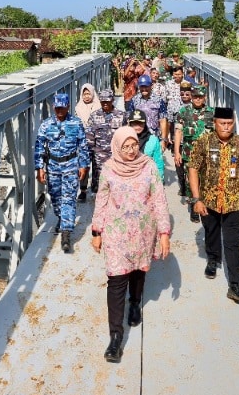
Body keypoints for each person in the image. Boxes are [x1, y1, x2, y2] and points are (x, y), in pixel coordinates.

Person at [91, 126, 171, 363]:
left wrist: (164, 233)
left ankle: (135, 302)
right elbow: (101, 201)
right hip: (116, 234)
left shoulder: (148, 166)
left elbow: (159, 199)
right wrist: (97, 231)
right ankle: (115, 337)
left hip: (143, 232)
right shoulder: (108, 168)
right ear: (117, 147)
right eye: (125, 146)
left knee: (137, 272)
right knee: (116, 281)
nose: (130, 150)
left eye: (134, 145)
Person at [188, 107, 239, 304]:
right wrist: (196, 199)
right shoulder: (204, 141)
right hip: (209, 199)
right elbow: (193, 168)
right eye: (222, 124)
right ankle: (213, 259)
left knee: (232, 242)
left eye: (229, 124)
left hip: (233, 202)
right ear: (215, 123)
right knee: (211, 232)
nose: (226, 127)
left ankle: (234, 285)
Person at [34, 93, 91, 253]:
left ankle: (66, 234)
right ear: (54, 107)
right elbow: (39, 146)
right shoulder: (46, 125)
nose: (60, 111)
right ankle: (61, 217)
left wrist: (84, 165)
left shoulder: (76, 123)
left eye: (62, 108)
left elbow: (83, 145)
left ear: (68, 107)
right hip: (53, 166)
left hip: (70, 165)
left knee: (68, 198)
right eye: (57, 108)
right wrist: (39, 168)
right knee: (56, 198)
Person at [174, 84, 215, 221]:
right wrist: (177, 152)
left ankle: (204, 204)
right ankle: (194, 207)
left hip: (207, 155)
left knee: (205, 180)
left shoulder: (211, 112)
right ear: (191, 97)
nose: (197, 99)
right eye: (195, 96)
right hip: (189, 153)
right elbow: (178, 131)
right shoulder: (184, 112)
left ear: (205, 97)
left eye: (200, 97)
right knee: (190, 181)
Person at [85, 89, 127, 197]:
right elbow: (89, 138)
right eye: (102, 101)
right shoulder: (94, 116)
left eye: (107, 101)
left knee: (116, 186)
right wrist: (87, 158)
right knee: (99, 188)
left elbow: (125, 136)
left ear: (112, 100)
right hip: (99, 158)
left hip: (116, 157)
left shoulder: (121, 115)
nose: (105, 104)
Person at [125, 75, 169, 151]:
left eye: (146, 86)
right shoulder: (133, 101)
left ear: (151, 86)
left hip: (154, 137)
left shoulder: (159, 100)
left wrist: (163, 139)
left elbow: (163, 120)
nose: (144, 89)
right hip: (138, 138)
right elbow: (129, 121)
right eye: (142, 87)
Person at [126, 109, 165, 181]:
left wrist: (159, 181)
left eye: (140, 123)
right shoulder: (124, 139)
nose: (137, 126)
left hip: (147, 179)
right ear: (130, 124)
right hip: (128, 178)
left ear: (145, 123)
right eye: (134, 123)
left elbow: (158, 163)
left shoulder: (153, 140)